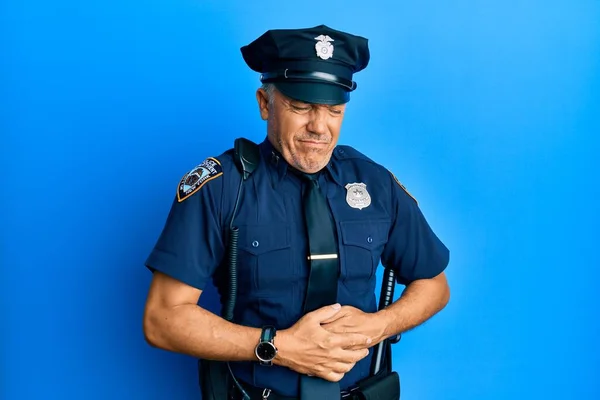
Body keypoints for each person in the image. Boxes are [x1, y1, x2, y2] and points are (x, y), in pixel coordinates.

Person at [142, 24, 450, 400]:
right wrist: (281, 347)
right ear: (264, 103)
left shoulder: (374, 184)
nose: (319, 127)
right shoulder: (222, 187)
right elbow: (163, 318)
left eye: (334, 110)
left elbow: (434, 285)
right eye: (301, 107)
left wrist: (377, 326)